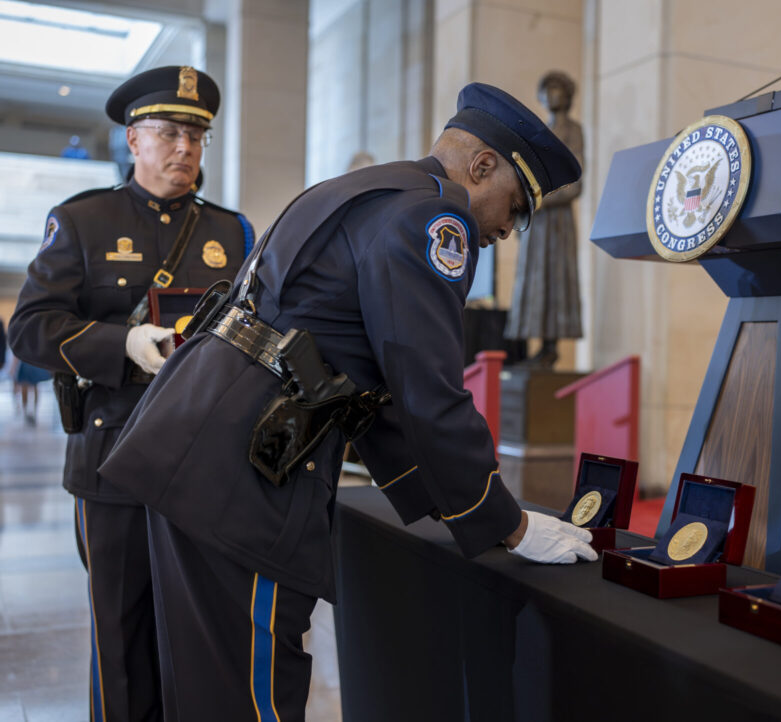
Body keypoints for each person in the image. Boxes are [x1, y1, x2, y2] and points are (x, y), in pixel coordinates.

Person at [99, 82, 596, 719]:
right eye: (517, 205)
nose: (507, 228)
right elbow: (429, 393)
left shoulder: (365, 190)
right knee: (252, 697)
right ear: (480, 166)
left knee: (206, 689)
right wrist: (512, 524)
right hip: (246, 482)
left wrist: (467, 509)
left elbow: (371, 388)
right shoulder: (433, 219)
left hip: (195, 452)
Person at [8, 65, 253, 722]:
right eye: (170, 133)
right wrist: (120, 344)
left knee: (202, 631)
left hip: (206, 464)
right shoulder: (84, 221)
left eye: (196, 138)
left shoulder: (231, 234)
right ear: (132, 140)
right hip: (112, 456)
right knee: (121, 632)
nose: (185, 150)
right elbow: (30, 329)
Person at [504, 70, 585, 367]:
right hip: (538, 221)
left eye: (558, 90)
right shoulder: (542, 133)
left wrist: (537, 200)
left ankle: (551, 347)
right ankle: (538, 347)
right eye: (548, 90)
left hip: (556, 221)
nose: (553, 96)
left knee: (554, 279)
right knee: (533, 281)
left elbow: (576, 184)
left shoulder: (572, 130)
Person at [11, 356, 51, 425]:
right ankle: (27, 411)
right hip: (28, 361)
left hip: (31, 360)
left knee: (30, 386)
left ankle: (31, 412)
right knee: (26, 386)